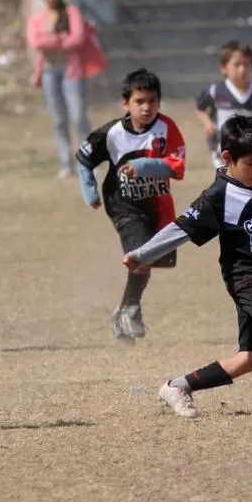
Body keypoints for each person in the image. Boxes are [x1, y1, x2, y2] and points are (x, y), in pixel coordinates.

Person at [122, 116, 252, 417]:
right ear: (228, 158)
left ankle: (177, 386)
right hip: (244, 275)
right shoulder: (218, 197)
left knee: (250, 358)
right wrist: (142, 254)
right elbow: (180, 229)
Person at [76, 69, 186, 344]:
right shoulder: (112, 134)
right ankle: (132, 309)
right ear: (126, 103)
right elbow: (84, 159)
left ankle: (124, 309)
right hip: (122, 204)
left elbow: (178, 167)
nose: (147, 107)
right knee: (141, 255)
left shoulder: (166, 128)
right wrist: (89, 190)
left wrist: (143, 166)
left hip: (157, 205)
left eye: (152, 100)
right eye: (140, 101)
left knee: (159, 258)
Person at [27, 0, 98, 178]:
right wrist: (60, 40)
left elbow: (78, 38)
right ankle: (66, 163)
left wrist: (52, 41)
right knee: (58, 118)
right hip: (50, 72)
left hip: (71, 71)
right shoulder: (37, 19)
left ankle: (89, 160)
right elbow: (36, 43)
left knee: (78, 115)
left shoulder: (71, 12)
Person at [194, 40, 252, 170]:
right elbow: (199, 107)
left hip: (251, 152)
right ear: (224, 67)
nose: (242, 69)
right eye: (237, 65)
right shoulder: (215, 91)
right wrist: (208, 123)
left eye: (246, 64)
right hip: (223, 151)